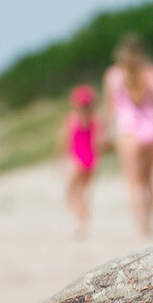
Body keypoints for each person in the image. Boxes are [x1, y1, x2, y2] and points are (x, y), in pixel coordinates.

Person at [102, 34, 153, 237]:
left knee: (133, 183)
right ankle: (151, 225)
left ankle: (139, 226)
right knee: (150, 181)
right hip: (151, 130)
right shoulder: (152, 73)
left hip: (128, 133)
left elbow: (108, 107)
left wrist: (104, 133)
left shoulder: (113, 75)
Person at [56, 84, 101, 237]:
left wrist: (58, 160)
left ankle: (81, 216)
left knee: (70, 193)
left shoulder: (71, 120)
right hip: (91, 160)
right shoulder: (95, 121)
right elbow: (98, 143)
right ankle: (83, 222)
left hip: (77, 160)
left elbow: (64, 142)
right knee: (83, 192)